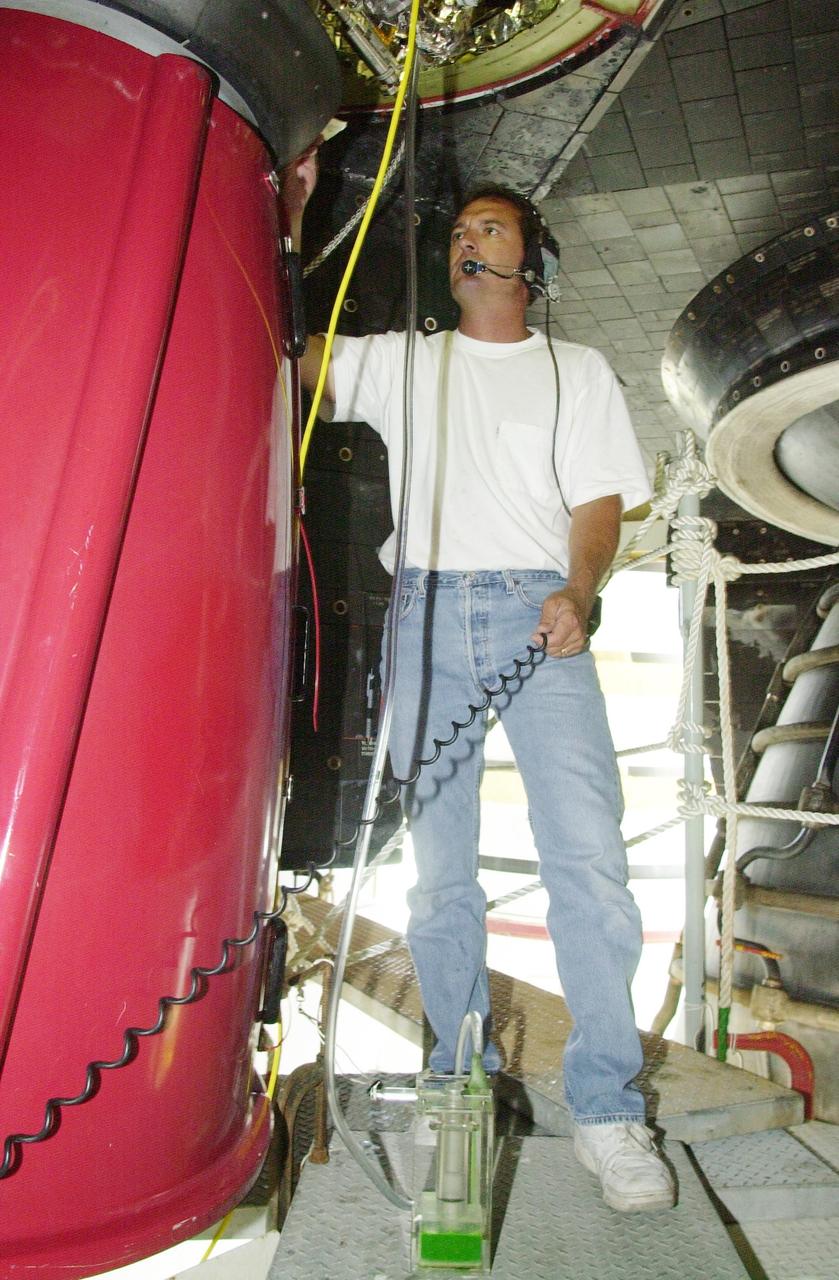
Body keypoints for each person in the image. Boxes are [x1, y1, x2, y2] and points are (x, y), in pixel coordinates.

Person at [284, 147, 675, 1213]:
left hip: (536, 615)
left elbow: (597, 499)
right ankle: (457, 1087)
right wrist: (287, 208)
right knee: (437, 874)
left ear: (532, 261)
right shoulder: (405, 360)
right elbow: (297, 352)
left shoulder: (576, 369)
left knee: (588, 864)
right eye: (459, 231)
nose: (466, 237)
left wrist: (579, 588)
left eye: (490, 228)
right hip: (423, 616)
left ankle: (606, 1109)